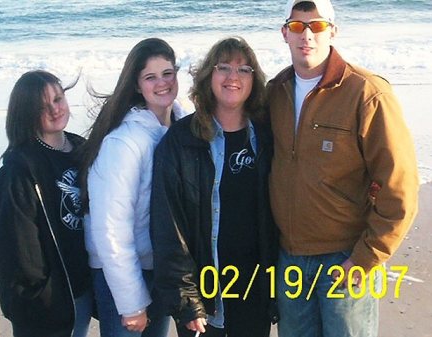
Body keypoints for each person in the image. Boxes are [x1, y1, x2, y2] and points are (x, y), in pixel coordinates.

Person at [266, 1, 419, 336]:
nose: (306, 35)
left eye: (317, 26)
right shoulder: (274, 93)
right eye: (297, 26)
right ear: (284, 34)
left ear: (332, 31)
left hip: (346, 260)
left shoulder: (367, 93)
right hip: (290, 260)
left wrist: (365, 260)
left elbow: (400, 187)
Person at [150, 36, 279, 337]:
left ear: (254, 80)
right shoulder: (181, 141)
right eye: (224, 67)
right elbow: (168, 227)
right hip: (205, 298)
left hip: (255, 290)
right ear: (209, 76)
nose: (233, 77)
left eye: (244, 69)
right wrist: (187, 300)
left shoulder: (268, 135)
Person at [78, 37, 186, 337]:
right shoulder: (124, 142)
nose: (162, 83)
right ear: (137, 85)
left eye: (168, 73)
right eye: (150, 77)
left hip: (159, 265)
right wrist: (132, 303)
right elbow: (110, 230)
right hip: (123, 272)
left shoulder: (181, 124)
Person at [0, 70, 93, 337]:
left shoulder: (81, 149)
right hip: (46, 304)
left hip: (80, 290)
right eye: (42, 106)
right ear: (26, 113)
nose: (54, 109)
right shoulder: (19, 169)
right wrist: (45, 295)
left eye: (58, 99)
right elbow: (14, 247)